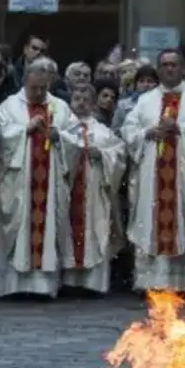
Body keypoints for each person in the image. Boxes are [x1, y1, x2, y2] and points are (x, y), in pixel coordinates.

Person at [120, 48, 185, 292]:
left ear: (184, 69)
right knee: (151, 223)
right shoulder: (146, 100)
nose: (169, 69)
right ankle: (152, 282)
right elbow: (128, 131)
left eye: (174, 64)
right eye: (164, 65)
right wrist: (146, 133)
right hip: (153, 175)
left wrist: (181, 128)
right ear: (158, 69)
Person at [0, 58, 84, 298]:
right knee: (17, 230)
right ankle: (12, 286)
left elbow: (76, 139)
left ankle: (44, 285)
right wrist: (23, 131)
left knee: (48, 227)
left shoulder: (61, 108)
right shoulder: (9, 107)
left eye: (44, 88)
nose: (40, 92)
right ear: (25, 83)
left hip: (50, 182)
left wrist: (59, 137)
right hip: (18, 181)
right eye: (35, 88)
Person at [61, 85, 126, 293]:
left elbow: (118, 154)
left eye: (86, 98)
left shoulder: (102, 131)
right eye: (77, 97)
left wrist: (104, 156)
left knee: (95, 231)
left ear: (93, 102)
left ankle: (92, 283)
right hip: (69, 191)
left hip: (94, 191)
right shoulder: (62, 128)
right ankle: (67, 281)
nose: (80, 102)